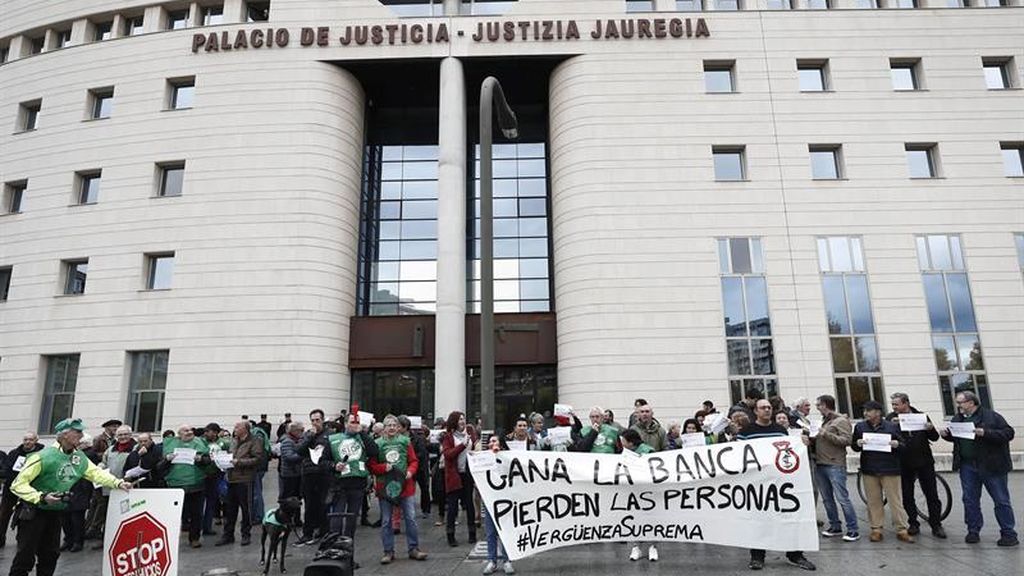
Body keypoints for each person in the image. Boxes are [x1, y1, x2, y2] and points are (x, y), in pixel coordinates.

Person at [9, 418, 131, 576]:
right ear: (65, 435)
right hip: (33, 512)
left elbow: (96, 473)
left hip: (54, 512)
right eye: (77, 432)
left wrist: (118, 483)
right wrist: (41, 496)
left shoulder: (78, 457)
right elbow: (17, 484)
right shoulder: (43, 456)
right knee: (25, 556)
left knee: (50, 555)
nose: (82, 435)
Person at [737, 400, 816, 571]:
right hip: (758, 484)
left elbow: (789, 452)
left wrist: (801, 443)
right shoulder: (746, 432)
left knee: (789, 517)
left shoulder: (780, 431)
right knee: (758, 520)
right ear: (755, 411)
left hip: (781, 483)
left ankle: (795, 554)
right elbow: (740, 456)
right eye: (763, 408)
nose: (766, 410)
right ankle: (757, 557)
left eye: (769, 408)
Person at [940, 391, 1017, 546]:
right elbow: (957, 437)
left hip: (991, 465)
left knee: (1001, 500)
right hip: (968, 465)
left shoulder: (992, 417)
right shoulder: (958, 419)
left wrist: (985, 433)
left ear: (971, 402)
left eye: (960, 402)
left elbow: (1008, 433)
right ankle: (973, 530)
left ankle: (1009, 533)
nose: (958, 406)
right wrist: (946, 435)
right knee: (970, 500)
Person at [886, 392, 946, 539]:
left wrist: (930, 428)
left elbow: (934, 437)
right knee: (907, 494)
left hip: (923, 460)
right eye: (893, 404)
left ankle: (936, 524)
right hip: (903, 461)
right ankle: (913, 522)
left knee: (931, 493)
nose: (894, 407)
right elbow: (885, 436)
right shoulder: (890, 418)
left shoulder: (921, 416)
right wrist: (891, 426)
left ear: (906, 404)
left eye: (896, 404)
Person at [852, 400, 913, 543]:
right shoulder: (860, 427)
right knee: (873, 501)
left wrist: (897, 444)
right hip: (869, 468)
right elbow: (854, 445)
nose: (865, 413)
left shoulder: (892, 426)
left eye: (869, 410)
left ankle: (902, 528)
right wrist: (858, 444)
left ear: (878, 412)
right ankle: (876, 528)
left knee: (895, 501)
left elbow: (904, 445)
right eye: (864, 411)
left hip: (890, 468)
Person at [807, 394, 858, 542]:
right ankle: (835, 526)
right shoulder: (824, 421)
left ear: (825, 405)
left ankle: (853, 528)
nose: (817, 408)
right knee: (827, 499)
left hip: (835, 464)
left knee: (842, 498)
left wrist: (825, 433)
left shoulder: (840, 420)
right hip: (821, 463)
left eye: (818, 405)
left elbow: (847, 441)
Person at [327, 412, 378, 539]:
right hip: (340, 483)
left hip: (358, 483)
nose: (355, 425)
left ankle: (348, 544)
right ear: (345, 424)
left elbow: (374, 451)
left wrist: (362, 433)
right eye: (352, 422)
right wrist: (334, 466)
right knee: (337, 517)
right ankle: (334, 543)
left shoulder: (363, 438)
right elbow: (323, 461)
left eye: (357, 422)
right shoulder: (333, 439)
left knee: (352, 517)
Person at [216, 420, 265, 547]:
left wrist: (239, 462)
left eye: (238, 426)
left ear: (245, 429)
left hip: (245, 479)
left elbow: (257, 459)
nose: (235, 428)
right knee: (230, 509)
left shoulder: (255, 441)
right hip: (231, 478)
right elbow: (230, 455)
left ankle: (246, 534)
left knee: (246, 508)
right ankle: (228, 535)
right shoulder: (234, 441)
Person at [87, 424, 135, 548]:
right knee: (108, 516)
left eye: (125, 434)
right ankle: (106, 541)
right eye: (120, 435)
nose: (122, 437)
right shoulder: (111, 449)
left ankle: (126, 541)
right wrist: (100, 467)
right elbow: (104, 461)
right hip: (109, 488)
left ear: (130, 435)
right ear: (116, 436)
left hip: (127, 488)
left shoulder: (135, 448)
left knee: (126, 516)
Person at [163, 425, 209, 548]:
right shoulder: (170, 444)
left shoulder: (200, 442)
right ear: (179, 434)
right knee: (176, 514)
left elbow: (208, 460)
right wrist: (167, 459)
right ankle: (171, 538)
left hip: (196, 484)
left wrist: (201, 459)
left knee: (196, 513)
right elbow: (161, 464)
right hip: (175, 484)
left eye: (190, 430)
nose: (189, 432)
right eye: (186, 431)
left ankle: (194, 538)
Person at [0, 432, 44, 549]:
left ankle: (22, 540)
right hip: (12, 489)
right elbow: (7, 469)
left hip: (30, 489)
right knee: (4, 514)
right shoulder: (14, 453)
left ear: (35, 441)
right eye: (25, 439)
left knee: (25, 516)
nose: (27, 442)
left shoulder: (42, 453)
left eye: (30, 439)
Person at [296, 408, 333, 545]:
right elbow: (299, 450)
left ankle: (323, 531)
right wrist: (310, 437)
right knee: (310, 504)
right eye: (312, 420)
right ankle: (308, 532)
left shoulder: (329, 434)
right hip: (309, 473)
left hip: (323, 473)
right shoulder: (307, 434)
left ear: (323, 420)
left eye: (317, 420)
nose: (315, 423)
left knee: (323, 503)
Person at [620, 429, 658, 562]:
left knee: (652, 518)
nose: (622, 443)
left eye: (623, 441)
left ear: (631, 443)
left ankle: (653, 546)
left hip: (649, 491)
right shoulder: (624, 454)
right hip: (633, 491)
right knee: (636, 519)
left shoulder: (648, 451)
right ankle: (636, 547)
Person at [480, 436, 515, 575]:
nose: (492, 443)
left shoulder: (507, 458)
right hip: (490, 500)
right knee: (490, 532)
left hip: (505, 501)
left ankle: (507, 560)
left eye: (495, 441)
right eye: (490, 441)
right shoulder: (482, 459)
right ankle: (492, 561)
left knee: (506, 531)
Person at [442, 411, 476, 547]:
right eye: (459, 419)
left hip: (467, 475)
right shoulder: (448, 437)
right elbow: (448, 454)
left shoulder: (470, 434)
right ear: (454, 422)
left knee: (469, 504)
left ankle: (472, 533)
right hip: (454, 476)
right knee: (452, 507)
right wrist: (462, 445)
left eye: (463, 419)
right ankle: (450, 535)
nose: (462, 421)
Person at [59, 435, 96, 553]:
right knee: (65, 517)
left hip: (81, 489)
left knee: (77, 518)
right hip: (67, 487)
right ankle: (68, 539)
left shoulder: (88, 454)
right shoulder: (68, 453)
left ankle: (77, 541)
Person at [201, 423, 228, 536]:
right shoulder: (201, 442)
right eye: (206, 431)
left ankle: (207, 526)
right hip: (202, 475)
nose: (206, 433)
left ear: (215, 432)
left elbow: (227, 455)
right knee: (201, 503)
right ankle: (200, 526)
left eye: (209, 431)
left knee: (213, 501)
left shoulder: (223, 443)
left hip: (217, 475)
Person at [278, 421, 304, 500]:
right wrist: (303, 455)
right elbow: (289, 457)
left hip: (294, 473)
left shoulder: (294, 440)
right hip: (290, 474)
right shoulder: (287, 441)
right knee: (290, 498)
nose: (302, 432)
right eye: (301, 430)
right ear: (294, 431)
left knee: (294, 497)